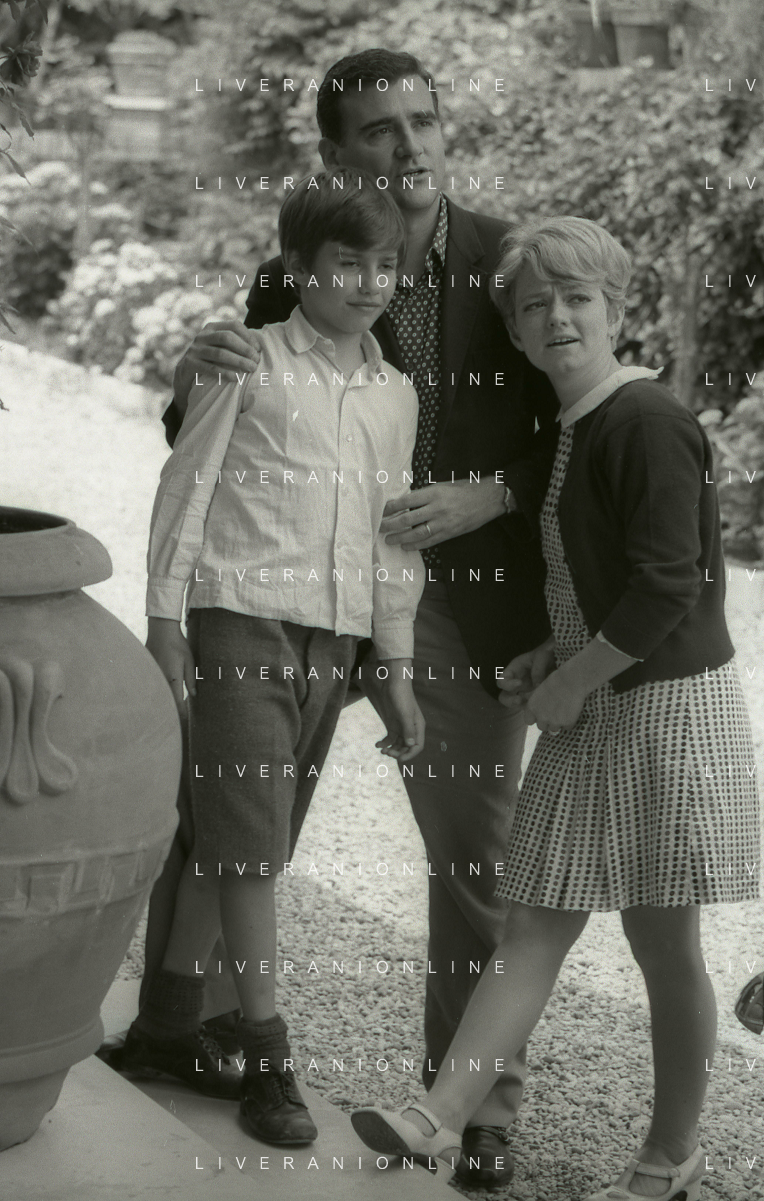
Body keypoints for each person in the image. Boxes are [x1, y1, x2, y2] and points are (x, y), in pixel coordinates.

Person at [149, 48, 559, 1187]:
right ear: (337, 154)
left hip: (463, 605)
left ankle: (473, 1106)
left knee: (473, 859)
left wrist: (493, 493)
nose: (410, 145)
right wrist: (187, 376)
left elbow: (586, 424)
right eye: (380, 130)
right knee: (238, 819)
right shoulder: (294, 270)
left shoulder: (510, 263)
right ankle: (201, 1031)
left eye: (423, 120)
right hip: (303, 598)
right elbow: (214, 430)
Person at [350, 216, 761, 1201]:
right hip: (599, 699)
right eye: (535, 306)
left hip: (664, 715)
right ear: (517, 334)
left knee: (664, 948)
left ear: (615, 309)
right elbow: (607, 581)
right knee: (532, 922)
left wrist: (569, 680)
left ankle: (668, 1155)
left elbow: (669, 587)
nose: (557, 317)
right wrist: (554, 654)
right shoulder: (579, 425)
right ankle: (438, 1117)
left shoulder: (643, 419)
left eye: (577, 298)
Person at [118, 168, 426, 1146]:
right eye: (348, 262)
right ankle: (269, 1054)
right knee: (249, 852)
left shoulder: (396, 395)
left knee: (240, 842)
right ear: (298, 265)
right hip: (237, 623)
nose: (370, 282)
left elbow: (389, 538)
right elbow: (186, 487)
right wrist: (165, 621)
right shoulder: (243, 361)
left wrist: (394, 667)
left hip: (331, 644)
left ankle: (165, 1028)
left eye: (385, 265)